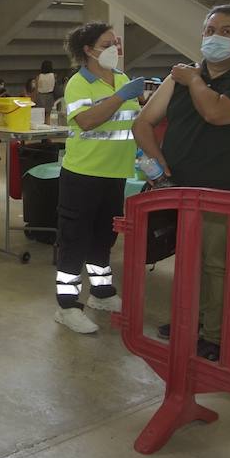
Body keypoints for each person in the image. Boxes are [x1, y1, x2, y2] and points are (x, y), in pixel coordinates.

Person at [133, 6, 230, 360]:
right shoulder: (179, 80)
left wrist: (193, 80)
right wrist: (161, 168)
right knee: (189, 261)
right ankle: (190, 321)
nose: (214, 37)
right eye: (210, 29)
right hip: (180, 189)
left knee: (217, 265)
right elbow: (143, 123)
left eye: (226, 31)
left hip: (223, 191)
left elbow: (216, 113)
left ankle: (216, 334)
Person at [52, 23, 146, 335]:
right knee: (74, 241)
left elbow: (130, 123)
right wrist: (121, 97)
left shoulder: (121, 79)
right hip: (83, 175)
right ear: (89, 51)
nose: (115, 47)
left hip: (115, 174)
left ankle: (101, 293)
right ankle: (66, 305)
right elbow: (89, 121)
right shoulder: (79, 84)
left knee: (104, 239)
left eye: (116, 42)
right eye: (107, 43)